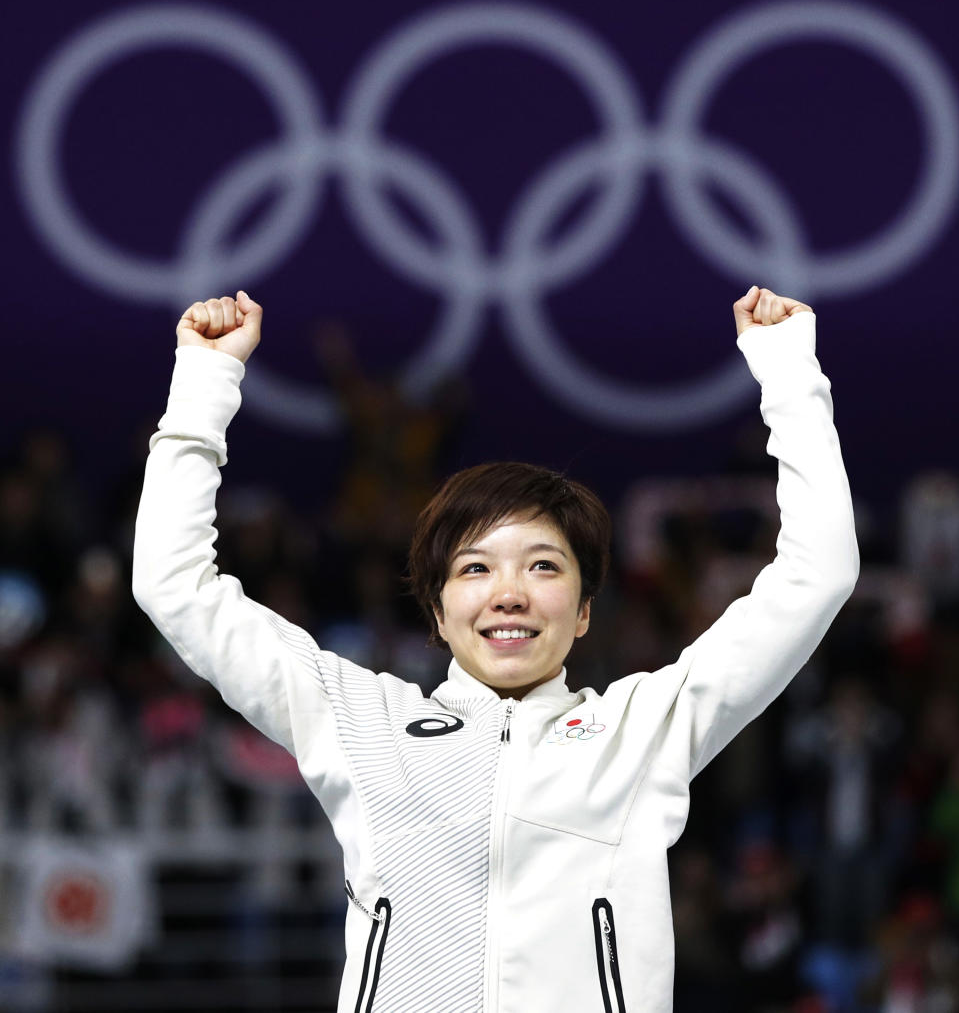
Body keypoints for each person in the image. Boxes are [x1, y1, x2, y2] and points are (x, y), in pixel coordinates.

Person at [132, 285, 859, 1013]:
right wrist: (204, 381)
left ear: (582, 612)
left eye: (542, 565)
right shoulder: (360, 721)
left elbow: (816, 573)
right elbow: (172, 583)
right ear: (438, 611)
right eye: (476, 568)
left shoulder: (645, 729)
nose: (508, 592)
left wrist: (789, 373)